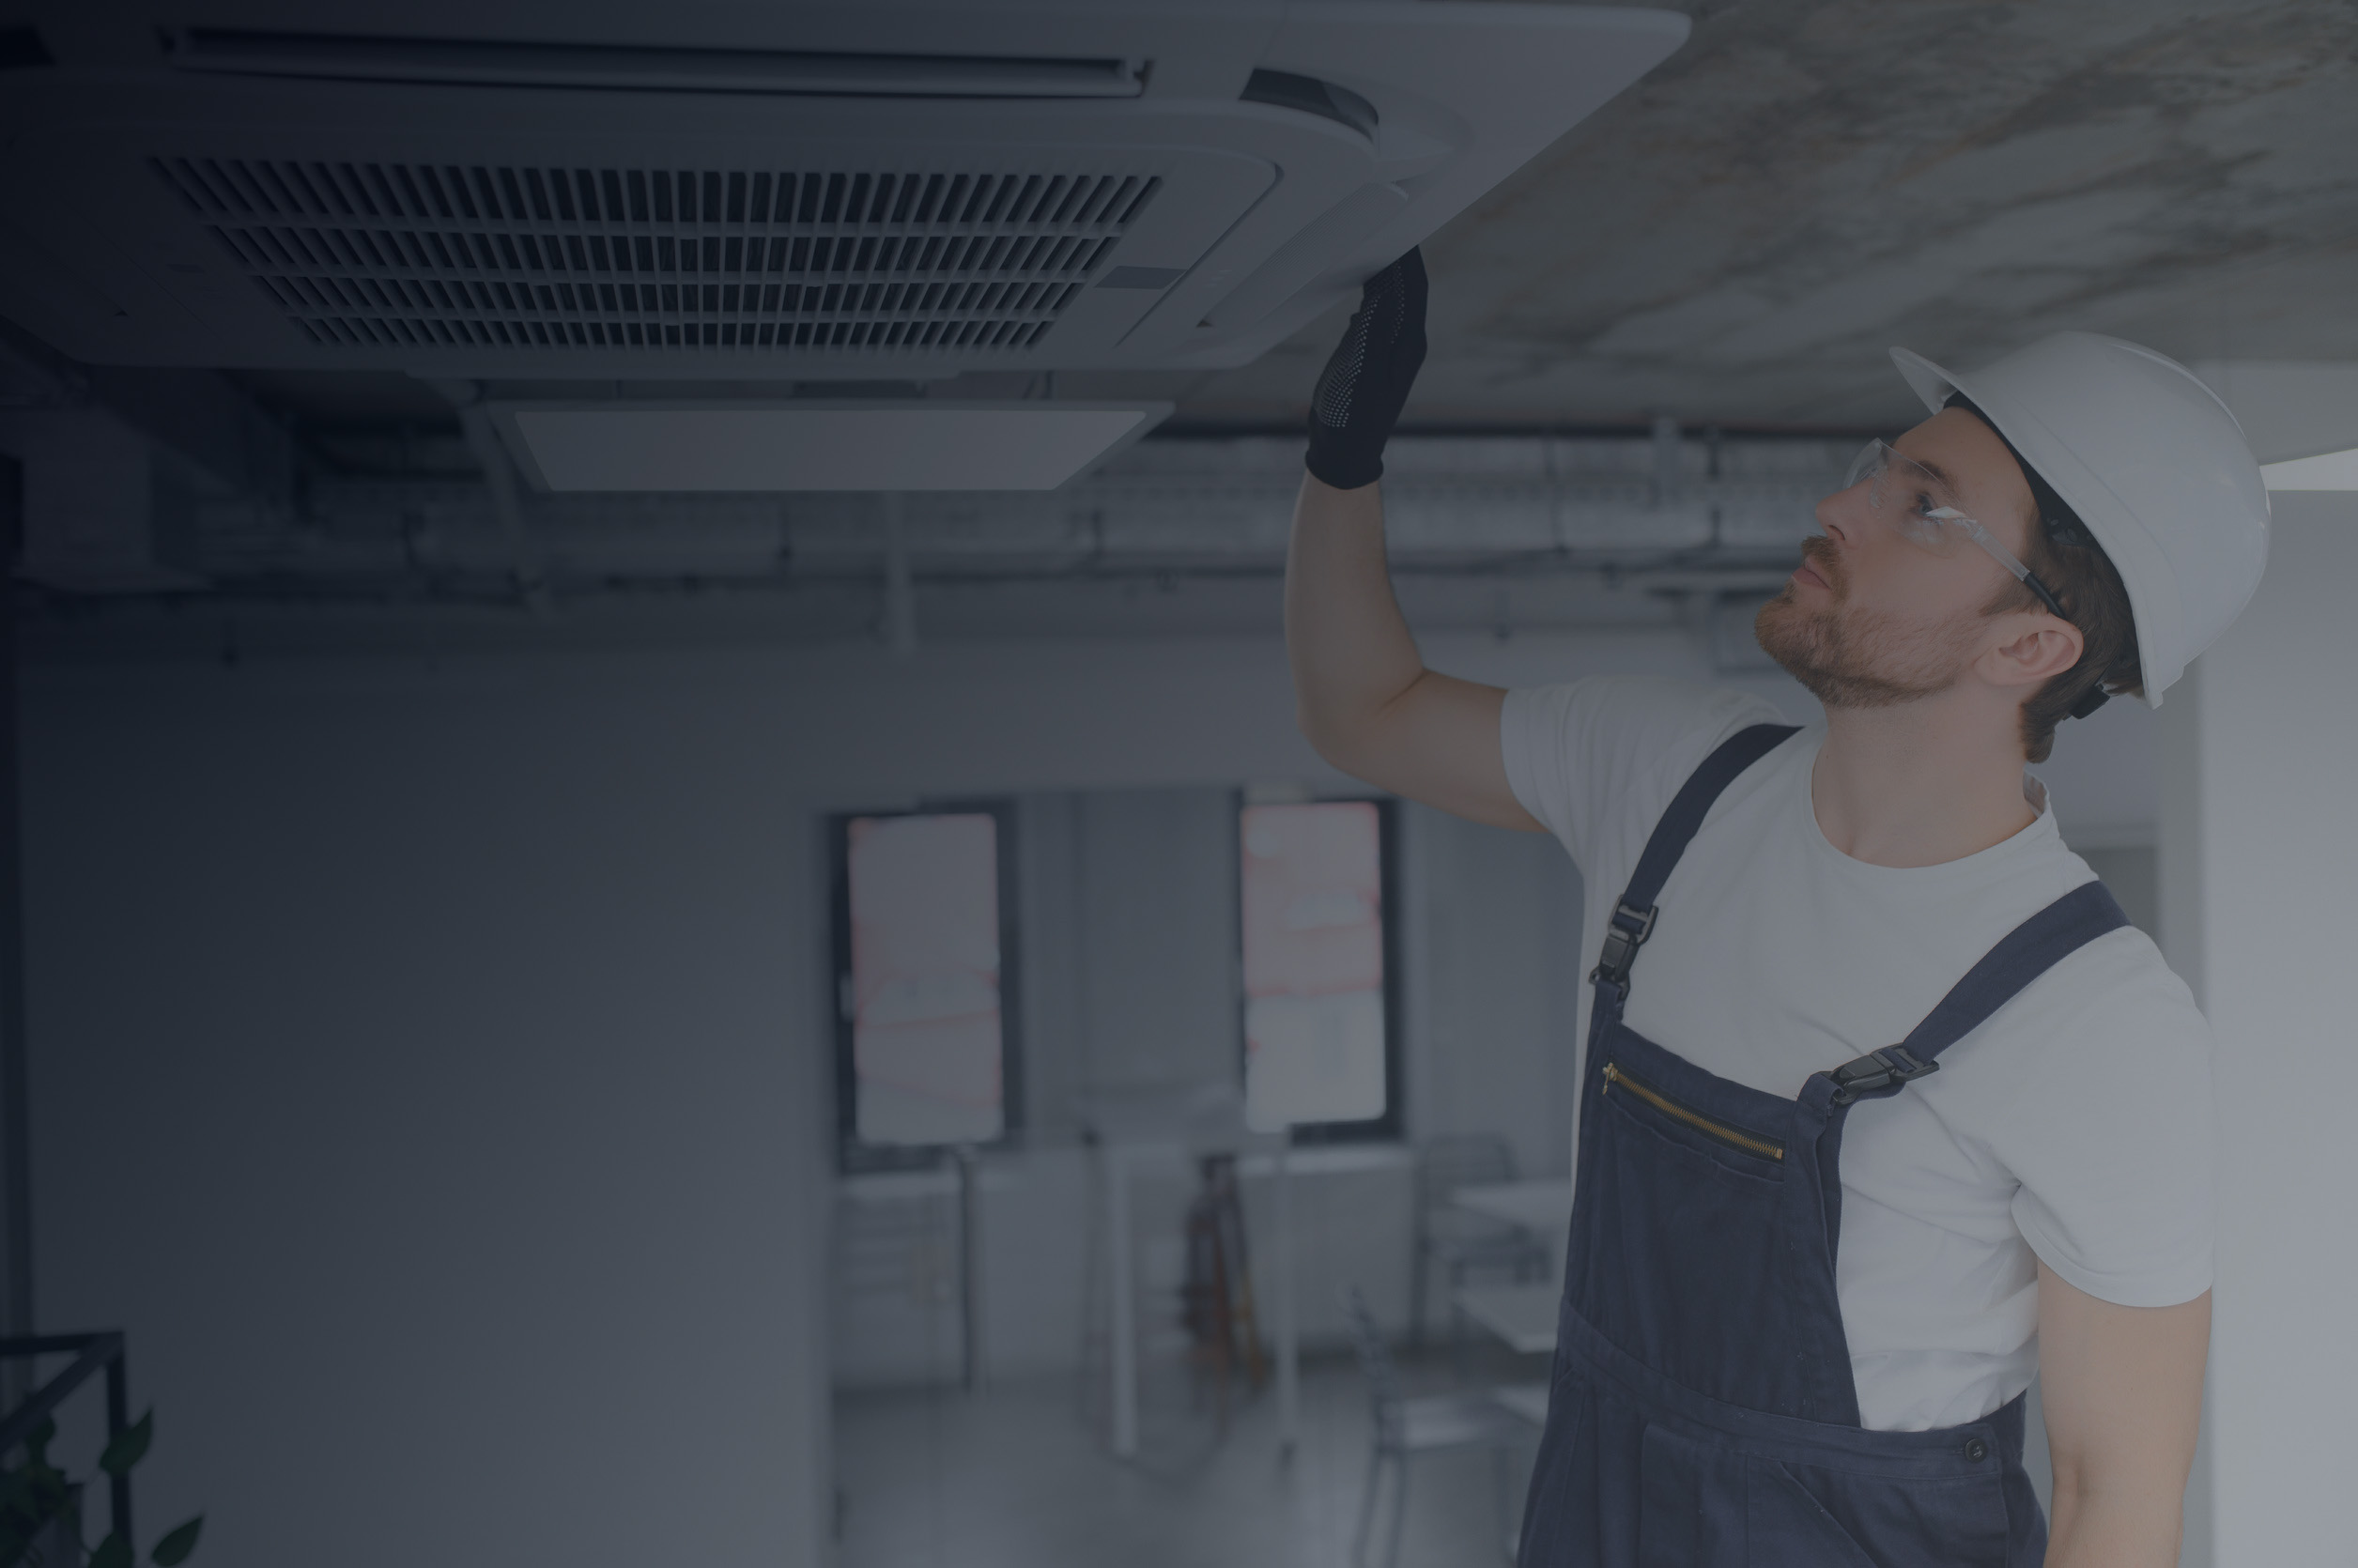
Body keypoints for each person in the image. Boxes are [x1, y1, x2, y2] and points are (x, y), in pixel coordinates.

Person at [1286, 250, 2269, 1567]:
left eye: (1924, 507)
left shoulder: (2097, 1019)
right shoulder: (1668, 774)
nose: (1840, 505)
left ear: (2030, 646)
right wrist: (1341, 462)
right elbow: (1370, 712)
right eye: (1883, 466)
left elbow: (2118, 1497)